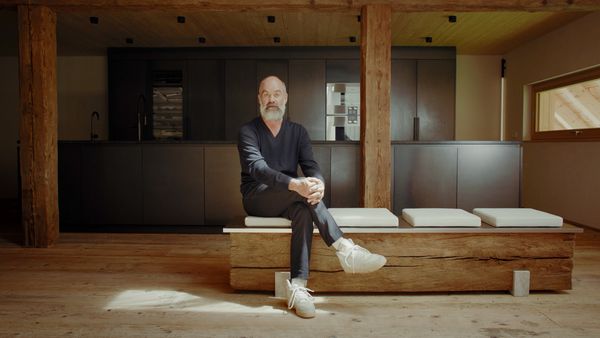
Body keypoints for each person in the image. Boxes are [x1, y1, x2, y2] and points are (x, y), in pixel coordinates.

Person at [237, 75, 386, 319]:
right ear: (259, 99)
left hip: (292, 197)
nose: (271, 99)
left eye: (277, 94)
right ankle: (345, 249)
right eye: (266, 94)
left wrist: (319, 185)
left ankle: (298, 285)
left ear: (285, 98)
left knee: (304, 208)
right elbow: (258, 169)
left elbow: (311, 166)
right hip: (257, 196)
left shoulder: (298, 131)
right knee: (300, 196)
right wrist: (296, 184)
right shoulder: (248, 131)